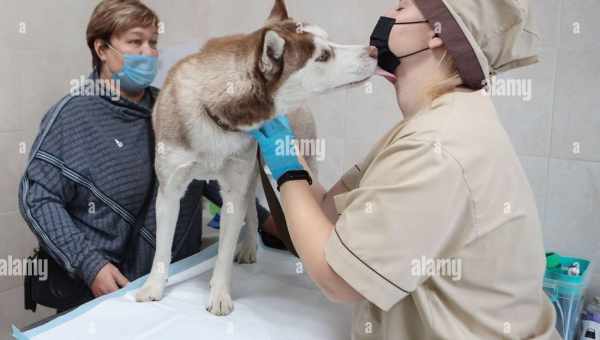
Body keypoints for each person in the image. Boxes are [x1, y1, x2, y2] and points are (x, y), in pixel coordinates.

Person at [250, 0, 562, 339]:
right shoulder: (430, 122)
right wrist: (289, 150)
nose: (387, 17)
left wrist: (287, 171)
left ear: (437, 35)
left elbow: (337, 281)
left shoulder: (438, 145)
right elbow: (327, 214)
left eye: (401, 9)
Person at [18, 0, 275, 312]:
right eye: (135, 41)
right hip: (101, 293)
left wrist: (265, 221)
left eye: (153, 42)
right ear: (101, 49)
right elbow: (37, 198)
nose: (149, 52)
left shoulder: (173, 107)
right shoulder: (72, 116)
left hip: (173, 289)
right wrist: (89, 264)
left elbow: (207, 173)